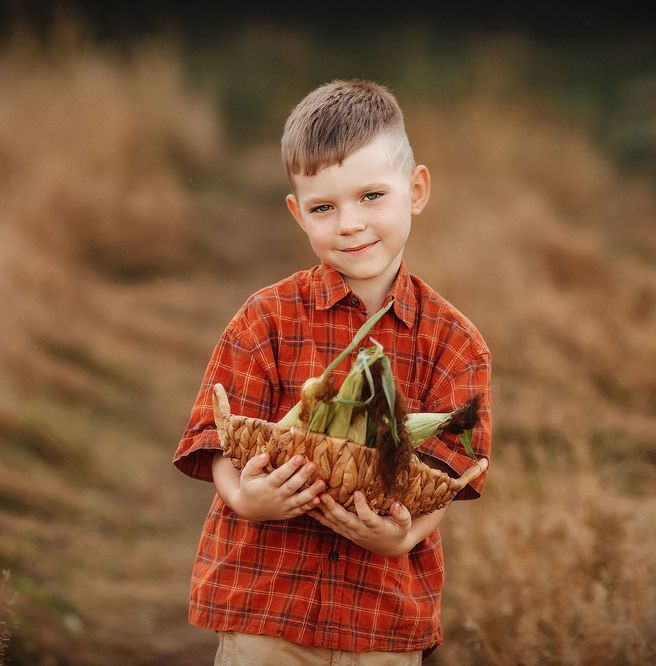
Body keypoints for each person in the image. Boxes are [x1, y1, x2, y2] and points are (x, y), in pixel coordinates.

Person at [174, 79, 492, 665]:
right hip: (265, 609)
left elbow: (451, 471)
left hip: (381, 619)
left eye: (372, 196)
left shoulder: (455, 342)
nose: (349, 224)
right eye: (325, 207)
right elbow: (218, 437)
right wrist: (246, 498)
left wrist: (403, 536)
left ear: (416, 190)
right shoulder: (264, 318)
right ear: (298, 214)